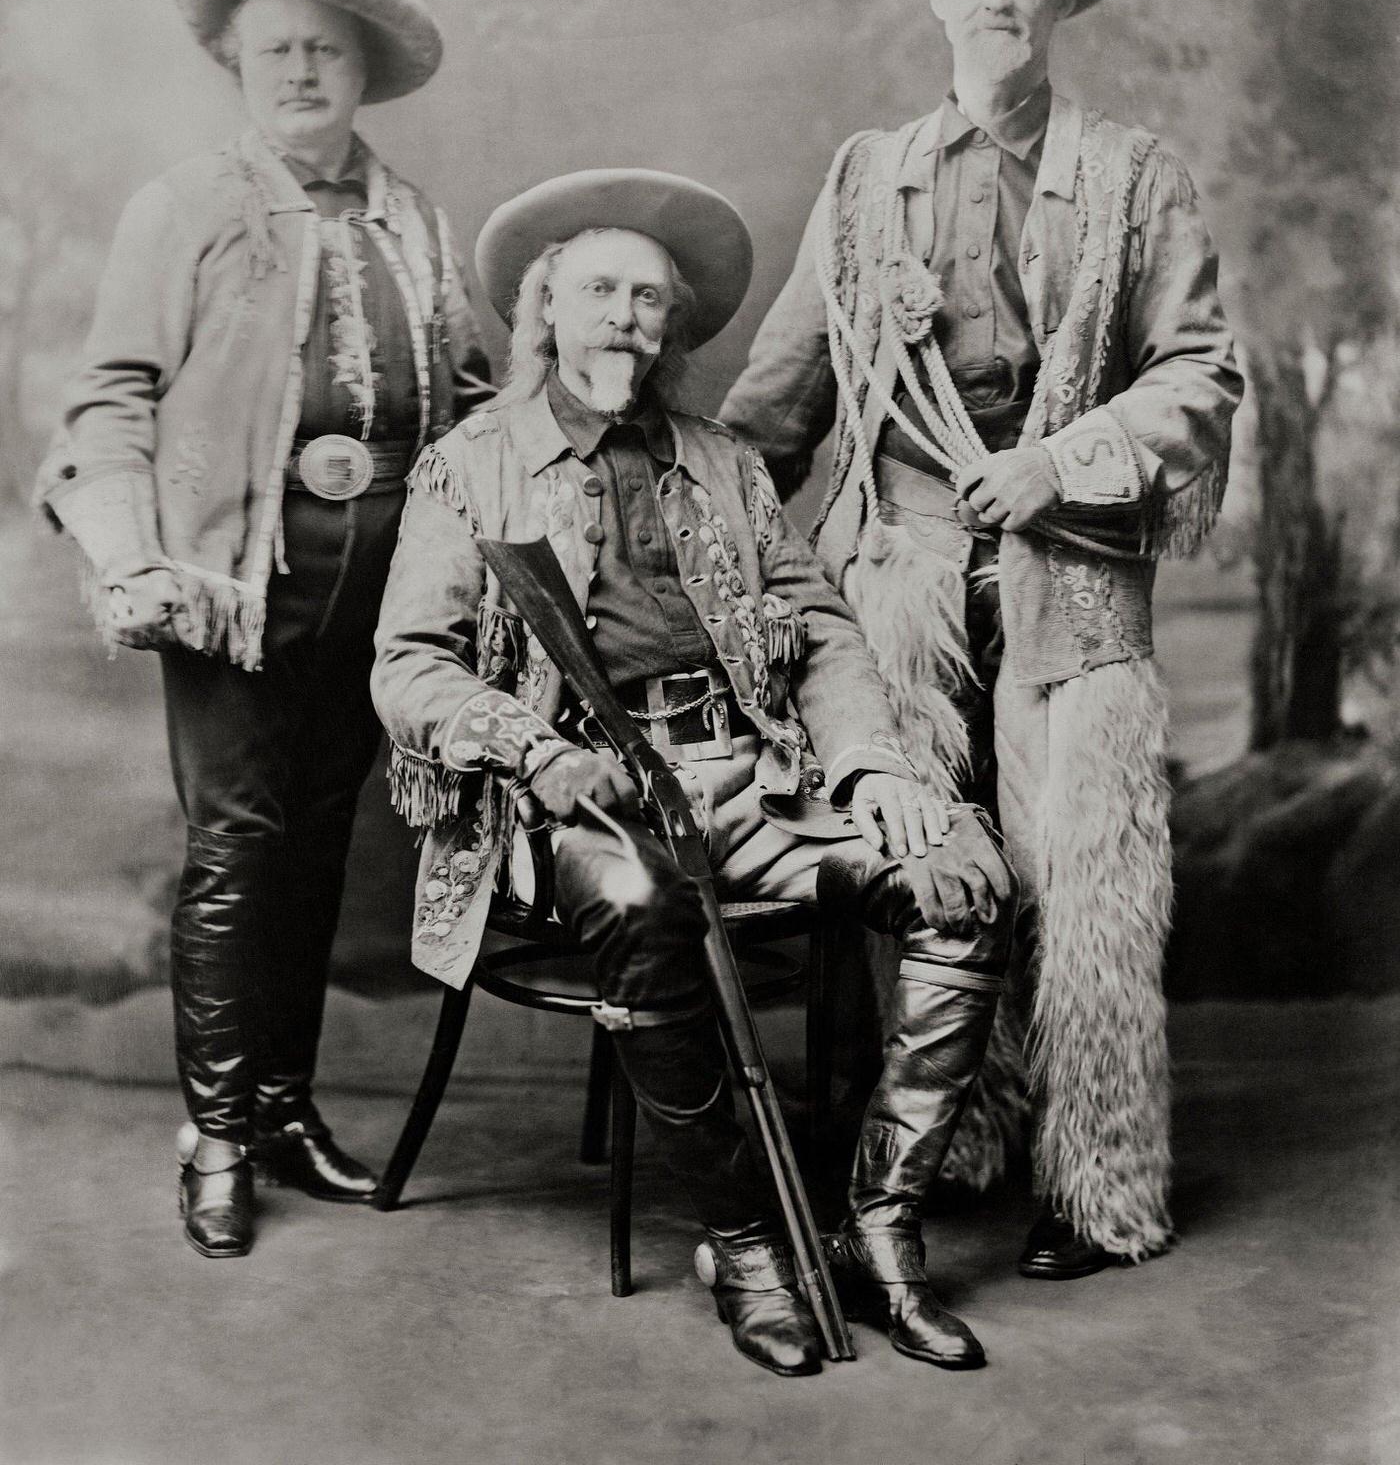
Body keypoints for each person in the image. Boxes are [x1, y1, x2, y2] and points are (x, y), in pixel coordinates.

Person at [371, 169, 1019, 1377]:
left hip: (754, 773)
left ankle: (879, 1226)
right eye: (600, 289)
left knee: (961, 881)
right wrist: (536, 749)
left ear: (670, 328)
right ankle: (747, 1242)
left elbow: (813, 622)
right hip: (575, 797)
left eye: (649, 298)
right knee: (641, 909)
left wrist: (872, 764)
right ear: (545, 306)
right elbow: (407, 663)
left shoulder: (719, 458)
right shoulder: (472, 464)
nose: (625, 314)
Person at [719, 0, 1243, 1277]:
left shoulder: (1137, 179)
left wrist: (1059, 463)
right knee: (936, 872)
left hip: (1070, 568)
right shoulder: (867, 178)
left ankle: (1102, 1185)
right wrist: (693, 540)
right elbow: (780, 397)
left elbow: (1199, 378)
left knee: (1085, 883)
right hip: (899, 575)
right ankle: (954, 1133)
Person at [37, 0, 491, 1259]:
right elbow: (108, 396)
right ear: (238, 67)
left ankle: (285, 1108)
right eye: (276, 50)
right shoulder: (184, 207)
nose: (301, 72)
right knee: (237, 851)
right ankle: (219, 1135)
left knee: (317, 854)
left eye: (326, 51)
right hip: (237, 586)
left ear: (363, 71)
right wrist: (129, 554)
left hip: (384, 592)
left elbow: (463, 392)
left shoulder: (413, 221)